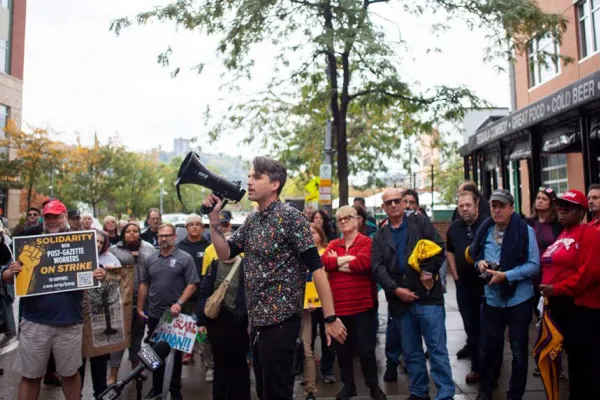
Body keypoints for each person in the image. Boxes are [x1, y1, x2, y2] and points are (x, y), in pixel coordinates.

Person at [203, 156, 346, 400]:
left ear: (274, 184)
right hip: (256, 323)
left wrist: (330, 317)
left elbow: (317, 267)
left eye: (256, 177)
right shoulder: (252, 220)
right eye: (249, 176)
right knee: (263, 390)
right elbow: (224, 252)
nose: (249, 181)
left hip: (282, 322)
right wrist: (213, 218)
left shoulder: (291, 218)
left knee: (277, 392)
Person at [2, 199, 106, 400]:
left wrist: (98, 274)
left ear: (65, 217)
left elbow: (93, 274)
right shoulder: (28, 242)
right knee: (31, 376)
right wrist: (8, 273)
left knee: (70, 374)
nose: (52, 221)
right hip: (35, 322)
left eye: (56, 216)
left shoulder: (81, 243)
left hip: (69, 323)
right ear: (43, 219)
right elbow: (6, 273)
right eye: (48, 217)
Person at [372, 188, 454, 400]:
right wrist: (396, 290)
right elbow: (378, 268)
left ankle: (445, 394)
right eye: (388, 202)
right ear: (383, 207)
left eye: (396, 201)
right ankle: (419, 392)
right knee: (411, 352)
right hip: (400, 301)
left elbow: (439, 247)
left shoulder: (419, 222)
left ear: (403, 203)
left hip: (428, 297)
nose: (393, 205)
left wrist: (428, 270)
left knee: (437, 350)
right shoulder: (381, 235)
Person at [466, 189, 539, 400]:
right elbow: (476, 253)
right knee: (488, 347)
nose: (497, 210)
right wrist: (480, 263)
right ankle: (486, 389)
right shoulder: (486, 229)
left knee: (518, 350)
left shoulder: (525, 231)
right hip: (492, 298)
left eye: (501, 206)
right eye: (493, 206)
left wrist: (507, 275)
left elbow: (534, 265)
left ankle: (515, 395)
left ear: (511, 208)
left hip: (518, 298)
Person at [539, 189, 600, 400]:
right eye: (559, 206)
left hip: (582, 309)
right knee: (572, 362)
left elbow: (588, 274)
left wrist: (557, 288)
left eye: (568, 207)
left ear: (582, 212)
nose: (562, 210)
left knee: (587, 366)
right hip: (560, 307)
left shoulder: (590, 234)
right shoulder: (563, 233)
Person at [322, 206, 386, 400]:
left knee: (366, 349)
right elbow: (325, 263)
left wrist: (338, 263)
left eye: (348, 217)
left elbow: (363, 264)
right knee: (343, 351)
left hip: (363, 306)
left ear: (358, 220)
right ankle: (349, 386)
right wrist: (348, 259)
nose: (343, 221)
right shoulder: (333, 243)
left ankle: (373, 386)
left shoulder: (367, 242)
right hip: (339, 307)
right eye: (339, 219)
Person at [138, 223, 200, 400]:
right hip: (155, 315)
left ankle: (175, 389)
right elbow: (144, 284)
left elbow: (193, 283)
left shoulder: (185, 258)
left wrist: (180, 302)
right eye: (160, 235)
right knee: (155, 354)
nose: (163, 238)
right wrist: (141, 308)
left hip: (175, 316)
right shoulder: (150, 258)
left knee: (175, 353)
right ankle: (157, 388)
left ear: (174, 237)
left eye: (167, 235)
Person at [196, 233, 250, 400]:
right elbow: (204, 292)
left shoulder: (246, 265)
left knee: (239, 363)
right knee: (221, 362)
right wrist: (201, 321)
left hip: (239, 321)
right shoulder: (214, 265)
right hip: (217, 321)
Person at [108, 222, 155, 385]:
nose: (132, 234)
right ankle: (113, 374)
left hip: (143, 300)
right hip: (121, 301)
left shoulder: (149, 249)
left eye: (135, 231)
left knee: (137, 336)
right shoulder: (114, 250)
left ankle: (136, 370)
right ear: (123, 234)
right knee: (119, 338)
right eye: (129, 231)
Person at [446, 191, 486, 384]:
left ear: (476, 205)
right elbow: (450, 251)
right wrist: (455, 275)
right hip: (464, 286)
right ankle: (477, 367)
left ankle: (490, 367)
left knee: (487, 328)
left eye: (468, 205)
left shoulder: (487, 225)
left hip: (486, 287)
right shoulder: (454, 228)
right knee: (471, 327)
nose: (464, 209)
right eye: (461, 206)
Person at [78, 229, 121, 398]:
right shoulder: (77, 257)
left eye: (101, 242)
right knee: (78, 363)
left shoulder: (110, 259)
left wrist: (109, 274)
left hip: (101, 318)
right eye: (94, 240)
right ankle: (77, 394)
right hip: (79, 317)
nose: (97, 245)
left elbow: (121, 283)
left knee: (100, 361)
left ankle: (100, 393)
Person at [176, 213, 213, 371]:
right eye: (191, 224)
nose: (195, 227)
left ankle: (207, 360)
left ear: (203, 227)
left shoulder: (209, 245)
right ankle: (188, 352)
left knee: (201, 329)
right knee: (186, 326)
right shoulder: (180, 247)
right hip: (184, 295)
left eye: (198, 224)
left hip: (203, 296)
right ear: (186, 228)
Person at [525, 187, 562, 326]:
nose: (539, 201)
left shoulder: (558, 225)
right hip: (532, 275)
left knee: (553, 315)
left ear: (551, 203)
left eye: (544, 199)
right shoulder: (529, 223)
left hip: (552, 275)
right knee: (538, 313)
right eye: (538, 198)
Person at [309, 224, 337, 385]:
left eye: (314, 233)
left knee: (329, 339)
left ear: (320, 235)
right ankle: (308, 371)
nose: (311, 235)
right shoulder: (300, 253)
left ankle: (327, 370)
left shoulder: (327, 252)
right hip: (307, 304)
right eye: (308, 233)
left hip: (325, 303)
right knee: (308, 340)